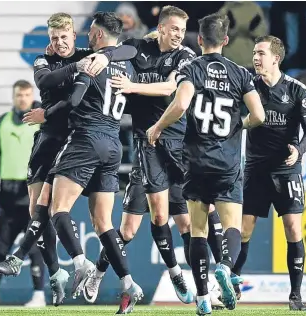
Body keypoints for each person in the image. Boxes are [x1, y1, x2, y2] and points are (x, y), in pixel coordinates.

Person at [84, 5, 224, 307]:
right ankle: (102, 273)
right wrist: (102, 56)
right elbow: (115, 51)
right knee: (132, 228)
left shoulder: (186, 56)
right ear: (160, 28)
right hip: (146, 145)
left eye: (182, 30)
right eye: (173, 29)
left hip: (178, 146)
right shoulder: (138, 47)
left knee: (187, 222)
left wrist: (133, 86)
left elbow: (171, 88)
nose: (179, 35)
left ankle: (211, 279)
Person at [0, 12, 137, 306]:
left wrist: (106, 57)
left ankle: (28, 260)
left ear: (75, 35)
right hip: (50, 141)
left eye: (63, 37)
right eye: (54, 38)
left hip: (78, 140)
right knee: (39, 209)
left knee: (55, 207)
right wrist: (78, 65)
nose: (59, 43)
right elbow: (46, 81)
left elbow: (128, 48)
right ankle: (55, 272)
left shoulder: (92, 55)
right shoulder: (45, 60)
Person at [147, 13, 265, 315]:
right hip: (227, 163)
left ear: (199, 40)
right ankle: (225, 267)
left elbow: (182, 104)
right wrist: (242, 124)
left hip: (197, 163)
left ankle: (201, 300)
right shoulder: (240, 73)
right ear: (225, 40)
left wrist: (158, 127)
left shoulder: (191, 68)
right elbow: (260, 116)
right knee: (231, 227)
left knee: (198, 231)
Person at [42, 12, 143, 314]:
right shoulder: (127, 64)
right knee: (103, 224)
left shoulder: (91, 62)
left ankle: (80, 263)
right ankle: (128, 283)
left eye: (90, 33)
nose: (86, 37)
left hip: (86, 136)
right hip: (114, 144)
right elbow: (132, 48)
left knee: (56, 208)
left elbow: (74, 101)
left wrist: (47, 111)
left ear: (98, 35)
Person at [231, 35, 306, 311]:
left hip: (286, 170)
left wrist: (299, 151)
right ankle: (233, 284)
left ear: (276, 58)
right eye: (255, 53)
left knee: (293, 228)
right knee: (244, 230)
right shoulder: (248, 85)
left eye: (261, 53)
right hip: (255, 170)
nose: (255, 58)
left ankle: (295, 296)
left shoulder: (296, 89)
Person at [0, 80, 46, 307]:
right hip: (8, 194)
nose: (23, 99)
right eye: (19, 95)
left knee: (34, 246)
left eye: (26, 95)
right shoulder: (2, 122)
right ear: (13, 97)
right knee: (1, 246)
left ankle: (38, 295)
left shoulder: (42, 120)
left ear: (31, 95)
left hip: (33, 193)